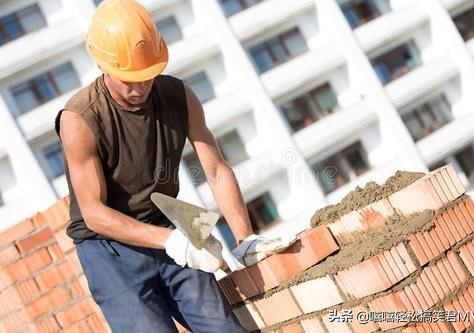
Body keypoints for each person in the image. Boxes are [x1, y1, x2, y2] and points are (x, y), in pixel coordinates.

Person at [55, 0, 295, 332]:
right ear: (102, 64)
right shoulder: (81, 118)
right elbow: (94, 213)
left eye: (147, 76)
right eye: (129, 78)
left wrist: (245, 238)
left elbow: (216, 169)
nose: (140, 87)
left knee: (223, 327)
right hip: (109, 249)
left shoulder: (178, 96)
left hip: (166, 222)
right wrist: (172, 242)